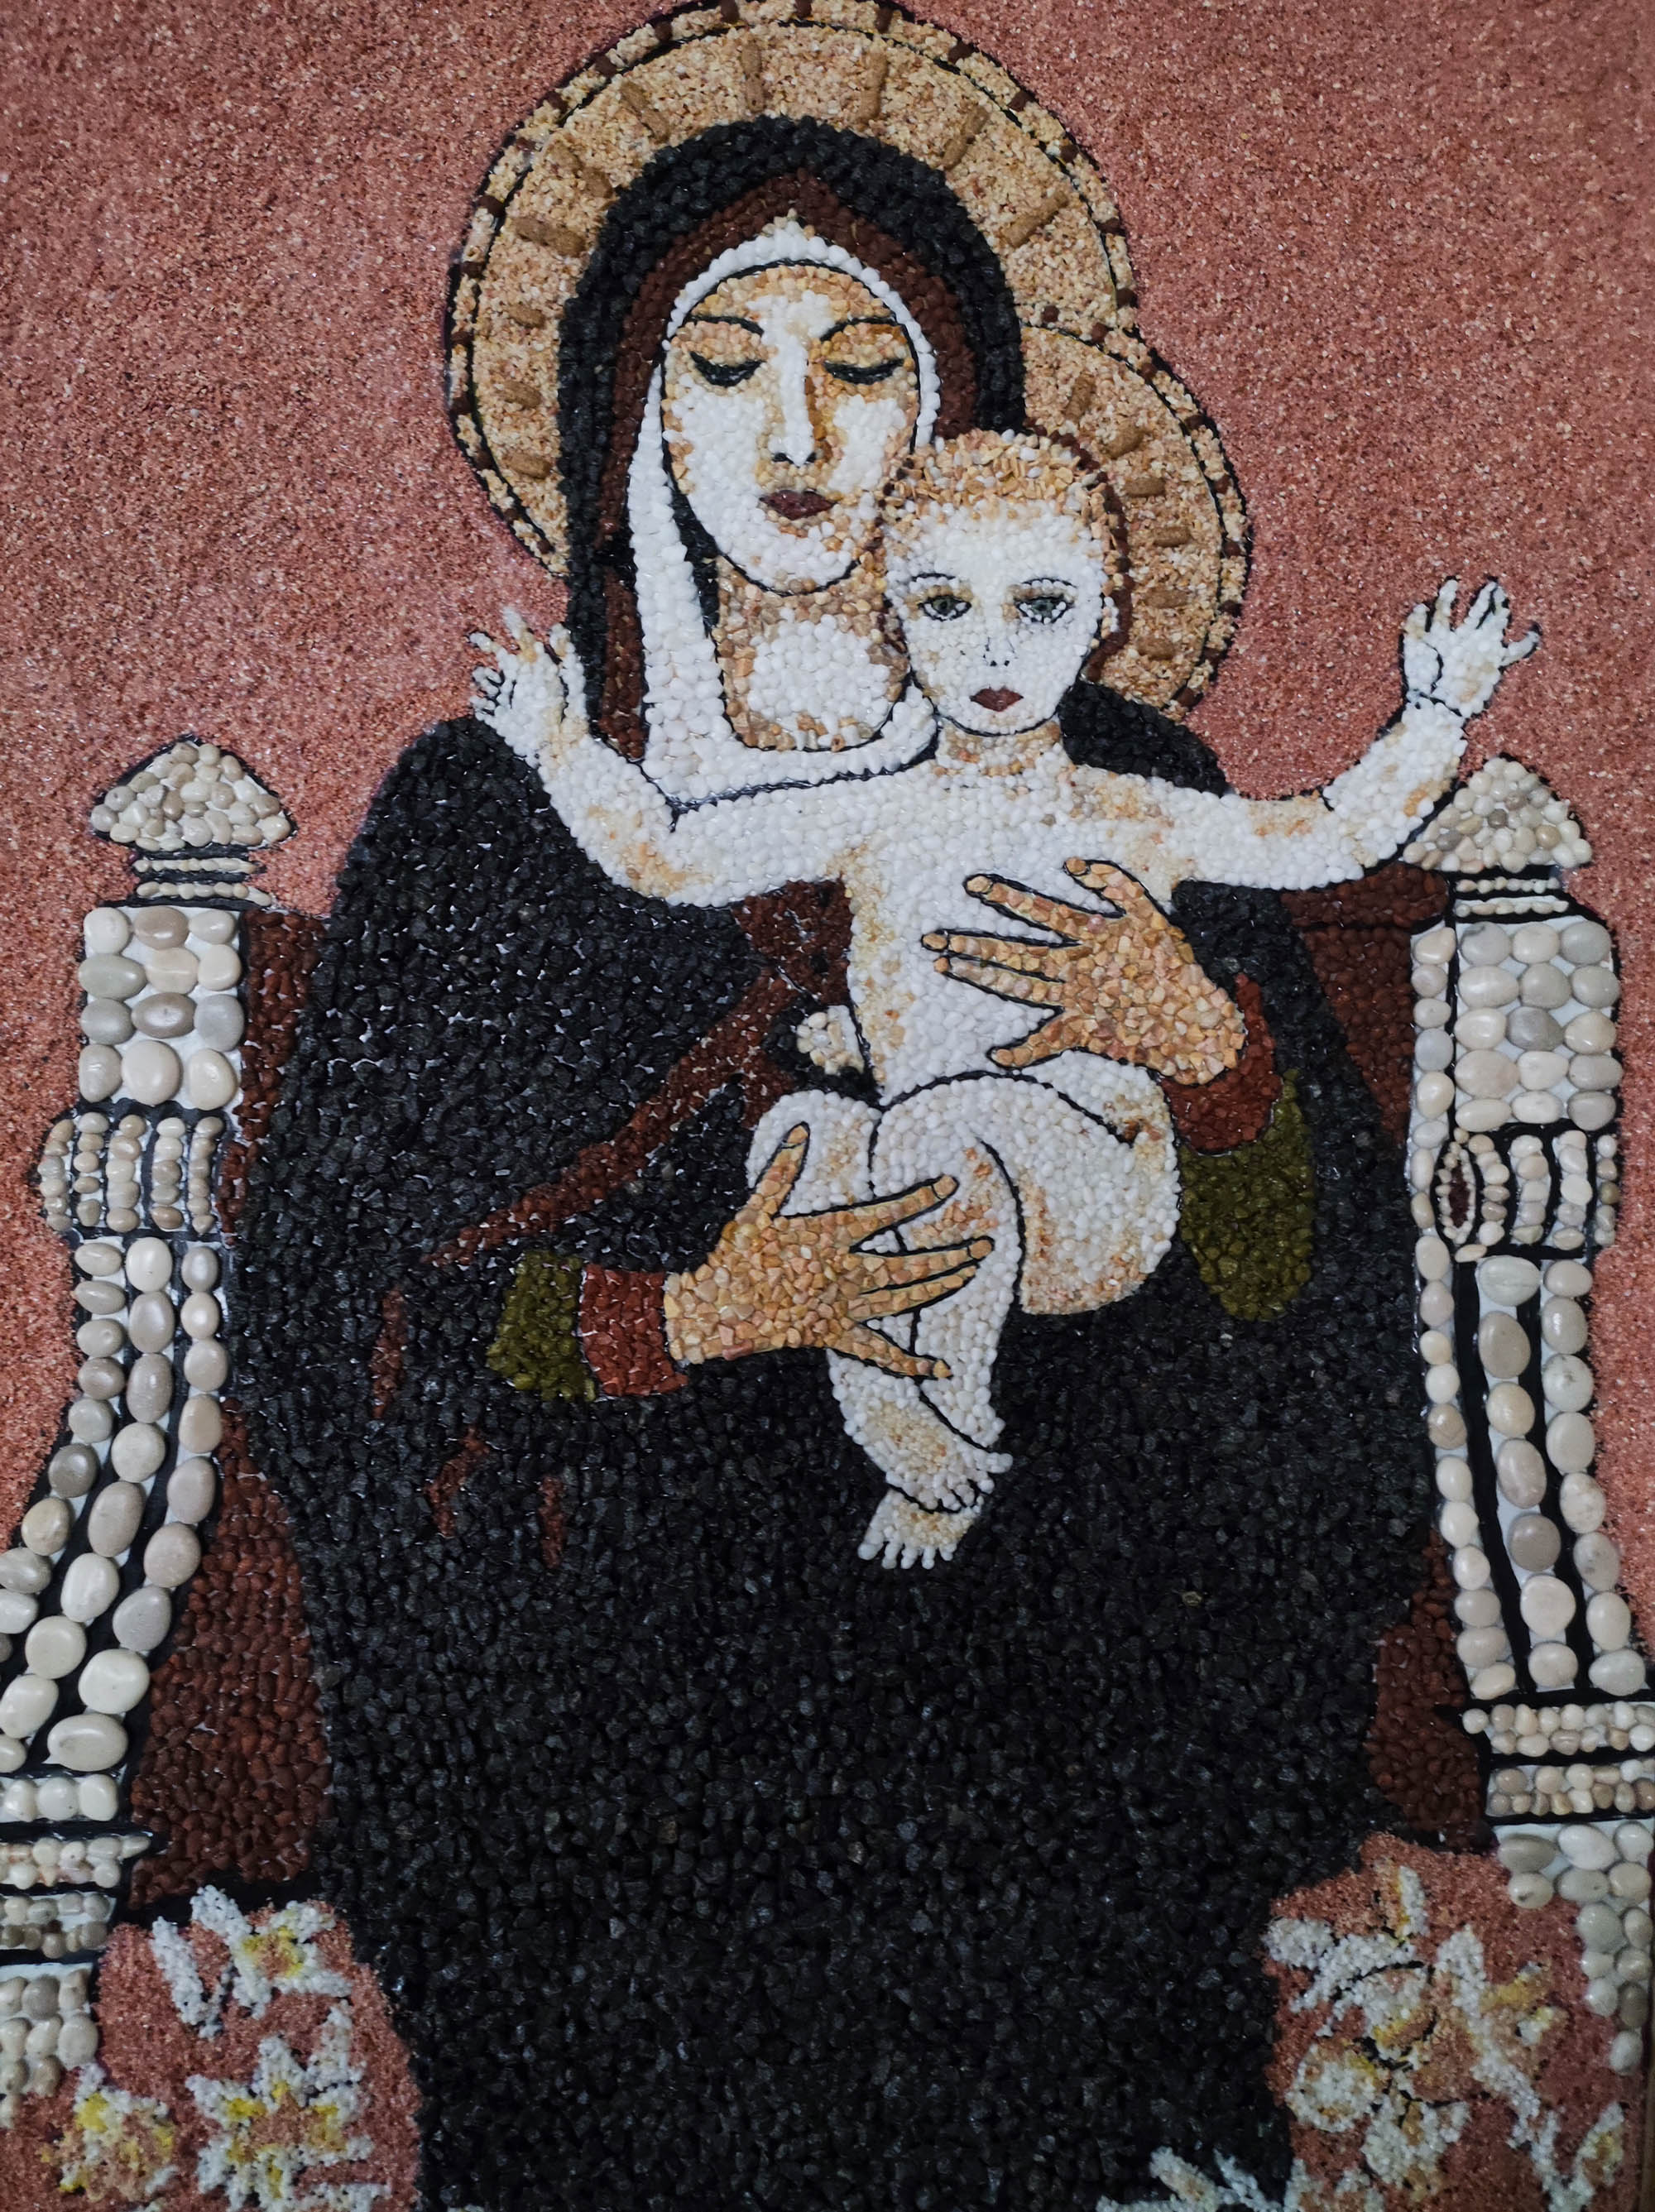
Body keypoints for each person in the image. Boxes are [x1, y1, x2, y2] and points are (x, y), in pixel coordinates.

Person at [236, 117, 1444, 2208]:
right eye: (726, 365)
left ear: (958, 414)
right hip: (619, 1764)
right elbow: (352, 1320)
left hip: (1049, 1723)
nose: (795, 435)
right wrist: (699, 1314)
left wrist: (1207, 1053)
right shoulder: (497, 815)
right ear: (633, 423)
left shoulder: (1124, 785)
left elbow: (1295, 1305)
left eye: (861, 367)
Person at [475, 429, 1534, 1566]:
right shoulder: (872, 816)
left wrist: (1438, 713)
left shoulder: (1132, 815)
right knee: (803, 1133)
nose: (991, 648)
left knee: (940, 1126)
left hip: (1097, 1192)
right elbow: (671, 854)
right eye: (946, 605)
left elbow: (1325, 835)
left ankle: (948, 1430)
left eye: (1038, 605)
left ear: (1102, 618)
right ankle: (894, 1423)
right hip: (939, 1187)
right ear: (894, 622)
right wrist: (557, 744)